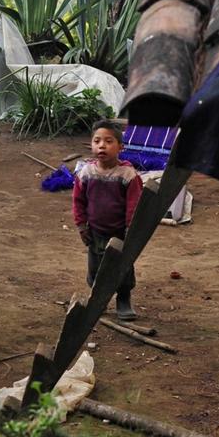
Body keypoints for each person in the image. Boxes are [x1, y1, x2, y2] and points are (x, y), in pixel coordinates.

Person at [73, 119, 143, 320]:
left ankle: (123, 299)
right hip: (94, 230)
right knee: (95, 267)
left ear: (121, 147)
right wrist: (81, 225)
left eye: (108, 141)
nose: (102, 145)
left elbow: (134, 205)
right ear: (91, 145)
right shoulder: (86, 173)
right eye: (97, 141)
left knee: (122, 267)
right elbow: (78, 202)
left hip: (120, 232)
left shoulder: (128, 175)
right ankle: (97, 299)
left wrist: (131, 230)